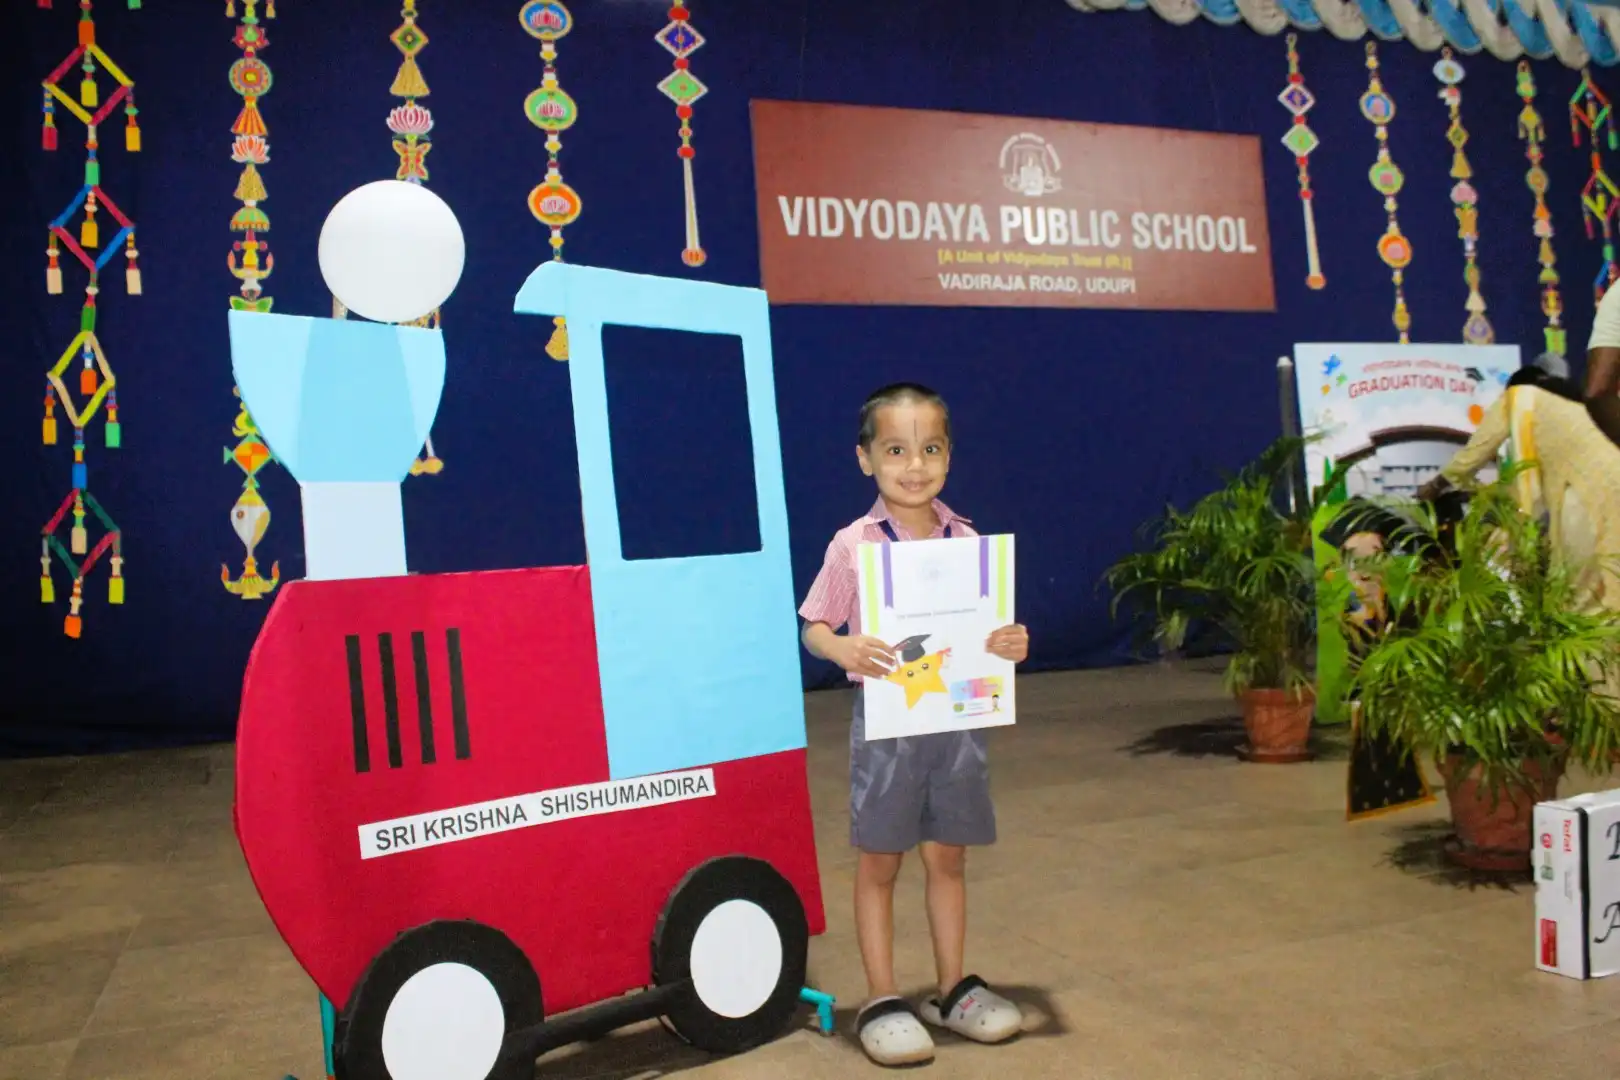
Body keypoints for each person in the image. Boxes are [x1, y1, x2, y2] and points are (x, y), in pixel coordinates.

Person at [798, 382, 1029, 1067]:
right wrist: (837, 646)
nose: (915, 464)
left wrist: (1012, 642)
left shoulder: (969, 541)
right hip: (889, 733)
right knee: (880, 860)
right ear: (865, 458)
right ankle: (882, 996)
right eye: (895, 449)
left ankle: (952, 989)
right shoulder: (854, 544)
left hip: (956, 729)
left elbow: (991, 633)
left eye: (930, 448)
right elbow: (814, 624)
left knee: (947, 857)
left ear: (948, 455)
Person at [1416, 352, 1620, 614]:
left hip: (1584, 501)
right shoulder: (1574, 410)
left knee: (1579, 604)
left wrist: (1435, 485)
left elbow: (1475, 453)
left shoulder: (1519, 398)